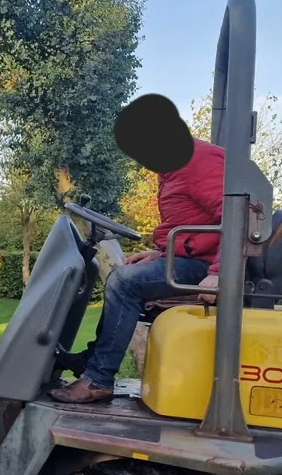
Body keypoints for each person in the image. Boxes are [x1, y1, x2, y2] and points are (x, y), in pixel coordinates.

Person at [50, 137, 226, 403]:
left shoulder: (198, 160)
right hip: (200, 257)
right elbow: (193, 226)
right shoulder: (172, 168)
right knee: (125, 272)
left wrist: (220, 273)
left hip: (211, 265)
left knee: (125, 282)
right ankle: (92, 360)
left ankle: (98, 379)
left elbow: (242, 214)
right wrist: (159, 254)